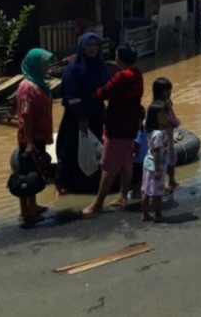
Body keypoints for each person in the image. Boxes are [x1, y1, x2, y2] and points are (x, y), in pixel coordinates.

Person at [83, 45, 143, 216]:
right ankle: (123, 196)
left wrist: (88, 96)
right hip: (131, 125)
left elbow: (102, 93)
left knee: (108, 165)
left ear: (120, 59)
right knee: (126, 162)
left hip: (117, 126)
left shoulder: (121, 77)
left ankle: (97, 204)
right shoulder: (137, 75)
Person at [56, 32, 110, 193]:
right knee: (70, 148)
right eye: (89, 45)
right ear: (82, 47)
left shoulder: (101, 66)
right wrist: (80, 117)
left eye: (95, 45)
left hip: (97, 113)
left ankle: (90, 183)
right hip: (76, 116)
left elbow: (107, 87)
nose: (92, 49)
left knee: (93, 148)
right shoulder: (74, 69)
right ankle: (63, 185)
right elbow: (70, 95)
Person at [13, 48, 55, 225]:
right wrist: (29, 142)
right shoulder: (27, 87)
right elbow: (25, 116)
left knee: (35, 170)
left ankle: (34, 204)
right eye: (44, 64)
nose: (47, 68)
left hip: (38, 135)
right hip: (29, 137)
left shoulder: (38, 83)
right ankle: (25, 211)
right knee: (26, 172)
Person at [153, 77, 182, 193]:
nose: (170, 93)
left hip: (166, 136)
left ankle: (171, 181)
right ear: (161, 92)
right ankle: (169, 182)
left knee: (170, 158)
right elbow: (172, 121)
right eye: (167, 91)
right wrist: (177, 122)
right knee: (167, 159)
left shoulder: (158, 104)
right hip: (164, 138)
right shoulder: (163, 107)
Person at [141, 101, 169, 222]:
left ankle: (145, 214)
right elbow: (157, 152)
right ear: (155, 117)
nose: (165, 117)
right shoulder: (158, 134)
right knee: (157, 192)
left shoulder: (151, 131)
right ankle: (158, 214)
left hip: (148, 163)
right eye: (162, 115)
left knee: (147, 190)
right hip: (155, 165)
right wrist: (158, 169)